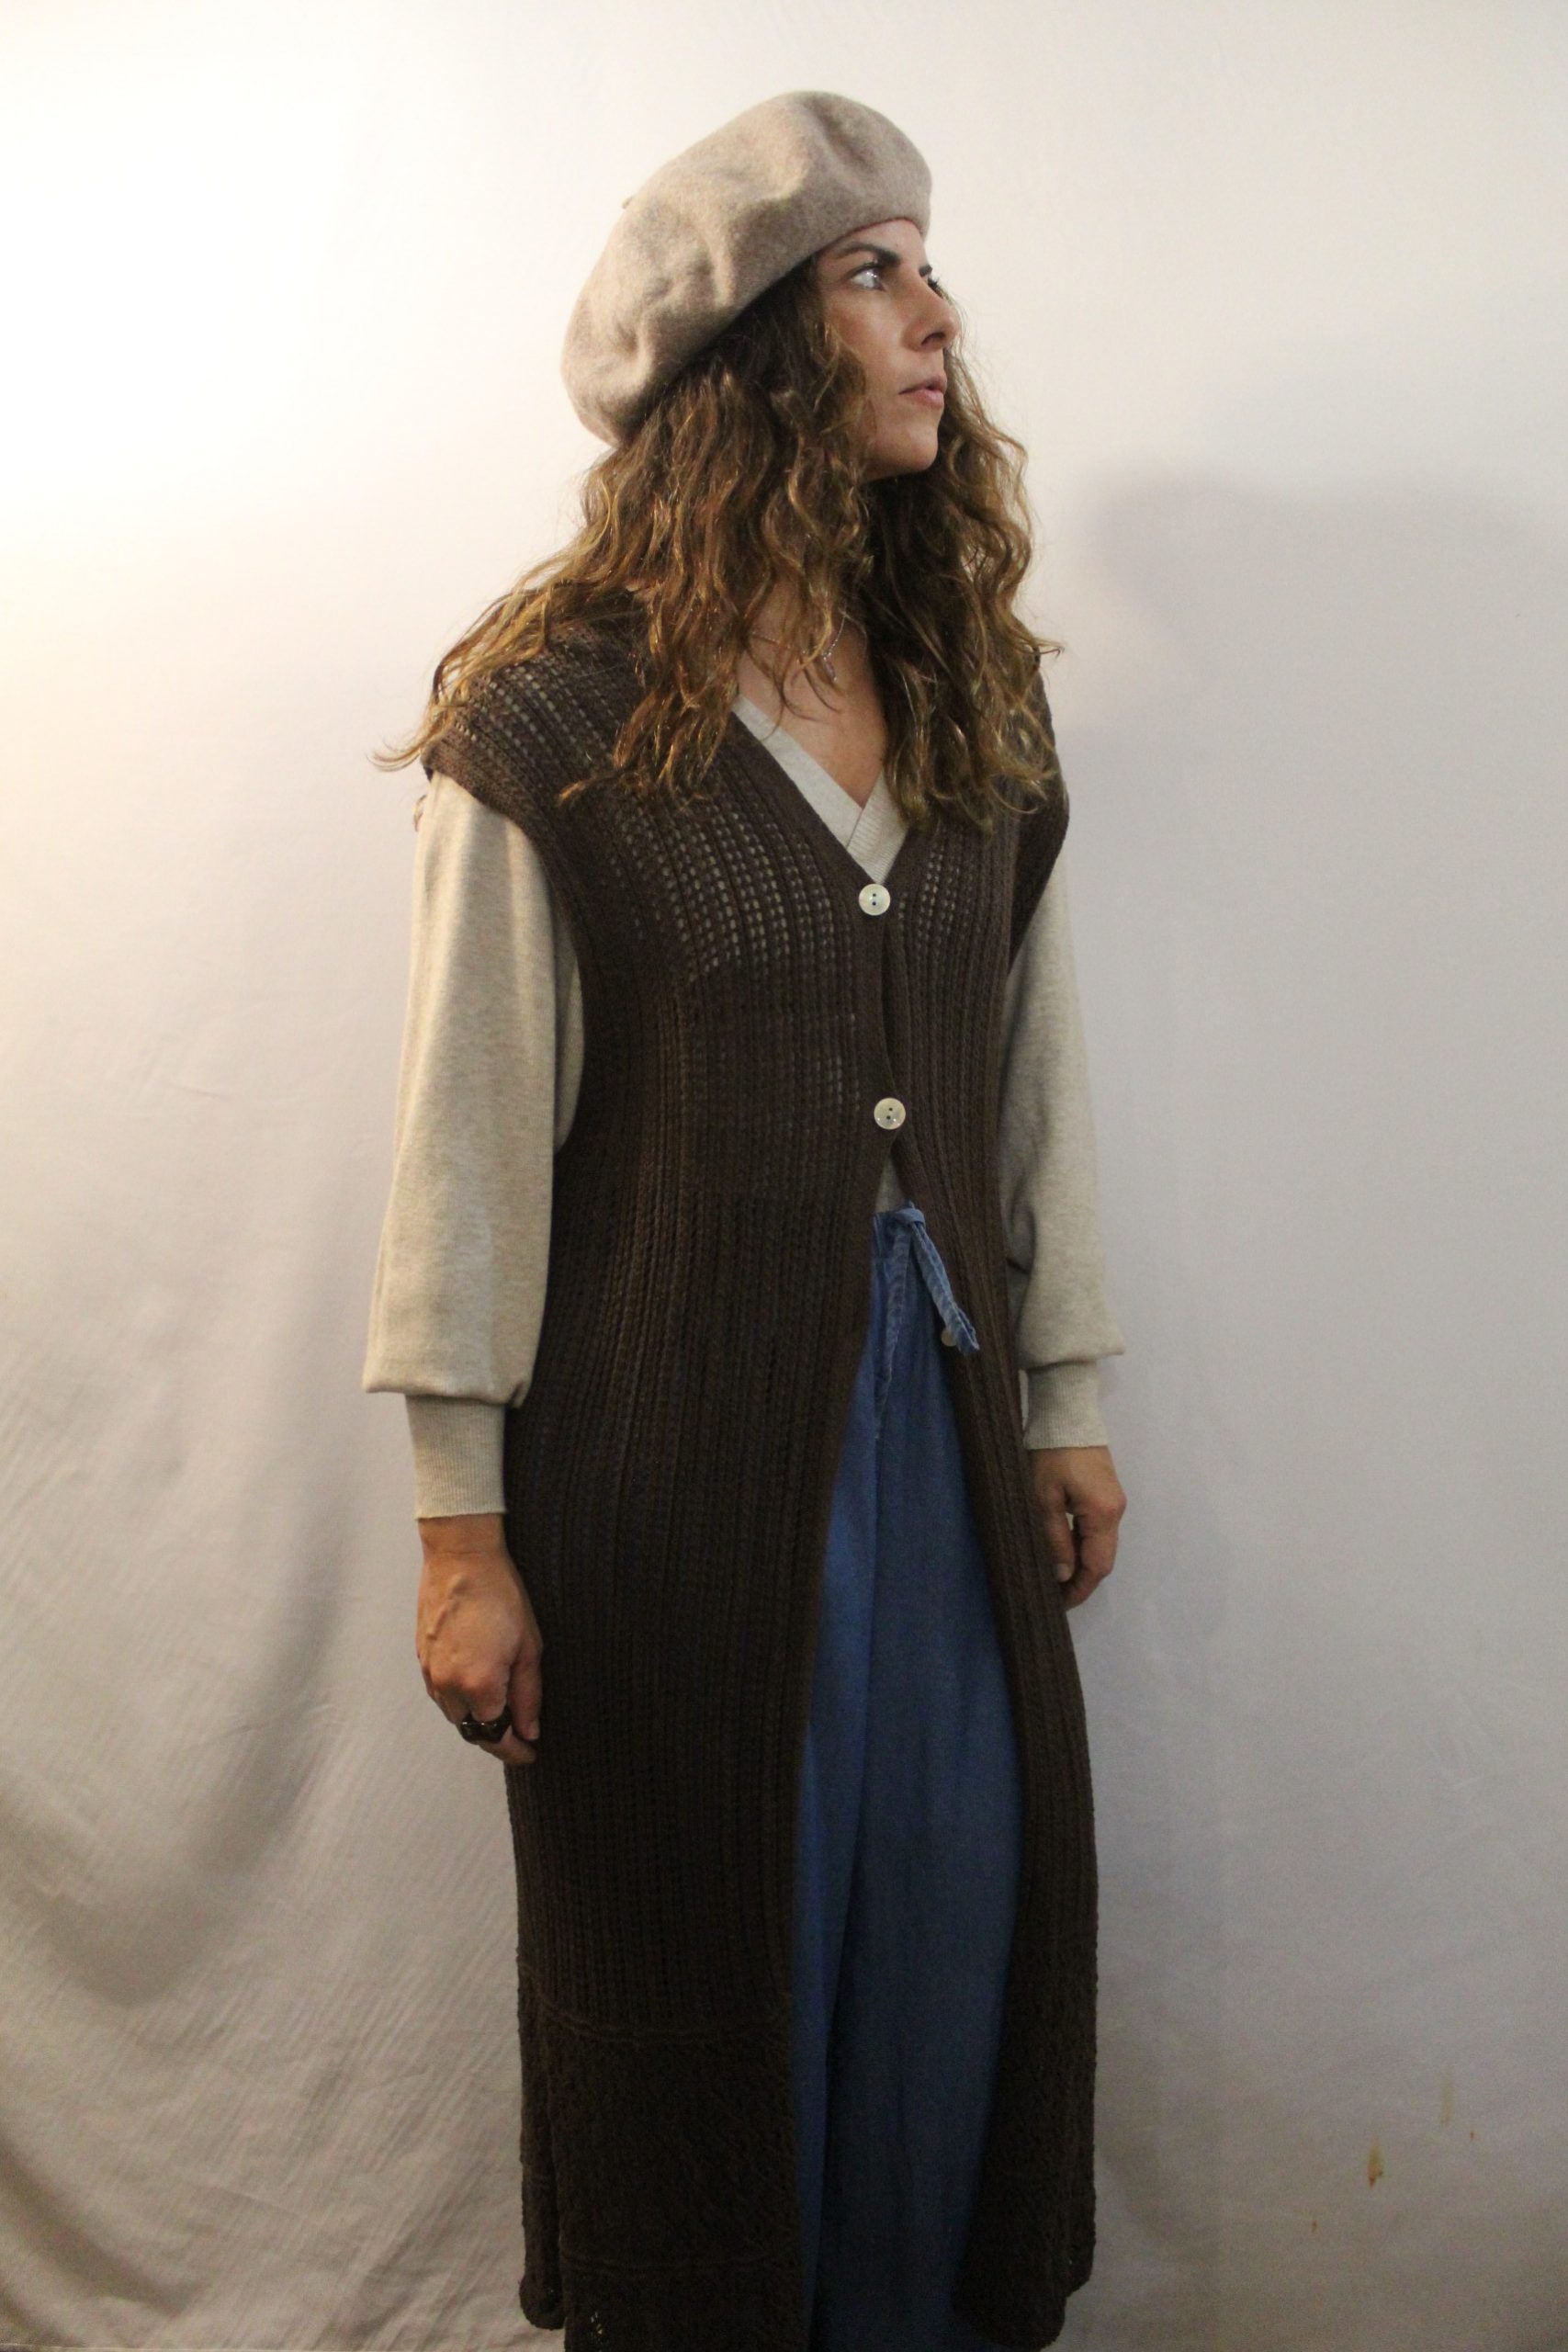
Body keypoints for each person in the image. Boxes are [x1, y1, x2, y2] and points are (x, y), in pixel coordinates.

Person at [362, 89, 1127, 2352]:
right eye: (875, 274)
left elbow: (1029, 1073)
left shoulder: (968, 696)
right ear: (749, 356)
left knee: (953, 1934)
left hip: (948, 1449)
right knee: (708, 1951)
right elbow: (465, 1140)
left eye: (925, 265)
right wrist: (459, 1530)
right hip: (666, 1470)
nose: (936, 316)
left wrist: (1066, 1390)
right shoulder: (559, 726)